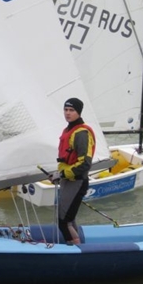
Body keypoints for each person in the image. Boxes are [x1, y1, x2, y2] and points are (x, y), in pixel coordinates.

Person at [50, 97, 96, 245]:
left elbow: (85, 164)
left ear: (79, 112)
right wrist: (58, 174)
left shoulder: (82, 133)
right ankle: (78, 245)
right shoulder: (68, 130)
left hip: (77, 182)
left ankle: (75, 248)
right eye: (66, 110)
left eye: (71, 110)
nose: (68, 113)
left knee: (63, 221)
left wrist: (62, 174)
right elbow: (66, 160)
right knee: (68, 218)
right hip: (68, 181)